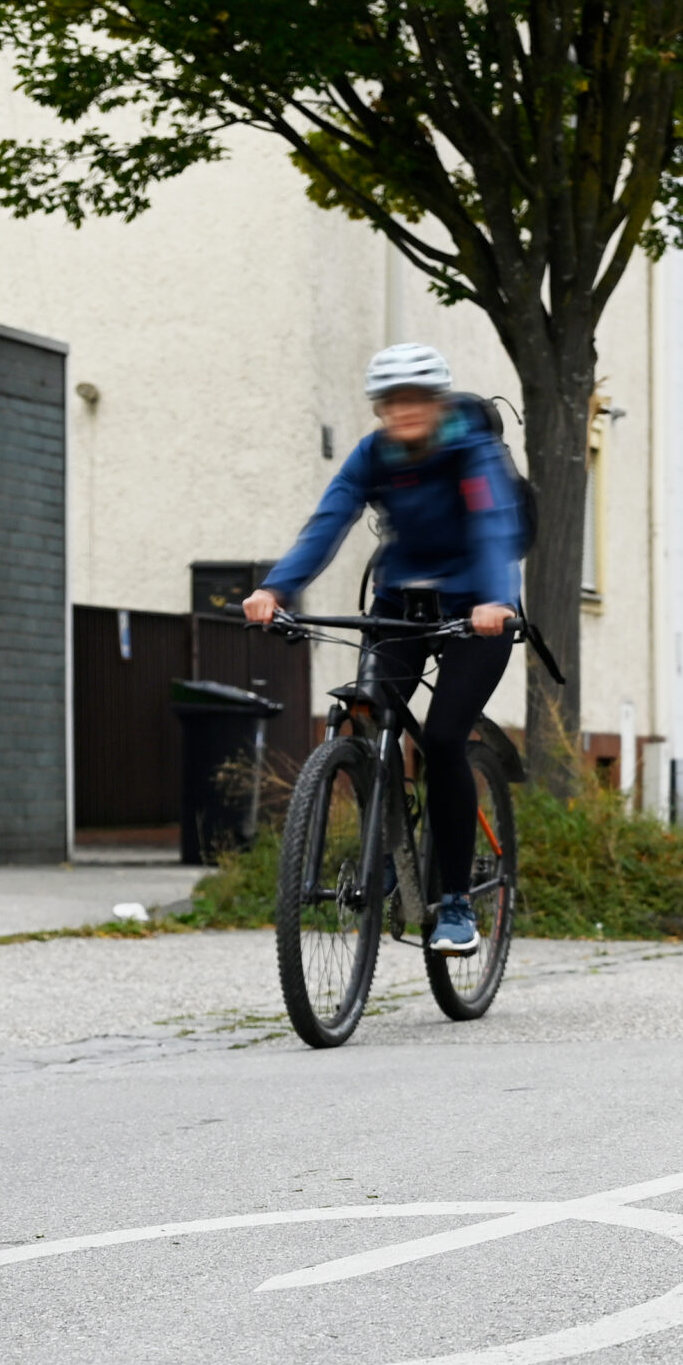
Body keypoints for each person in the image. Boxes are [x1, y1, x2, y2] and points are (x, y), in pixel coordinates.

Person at [244, 344, 519, 954]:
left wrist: (496, 600)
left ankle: (455, 902)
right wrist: (275, 587)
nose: (404, 411)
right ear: (379, 408)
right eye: (391, 401)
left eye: (416, 398)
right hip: (400, 606)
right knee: (369, 713)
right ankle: (387, 851)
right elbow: (329, 520)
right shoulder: (373, 455)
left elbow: (493, 527)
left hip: (478, 610)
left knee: (443, 739)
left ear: (438, 402)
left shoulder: (470, 452)